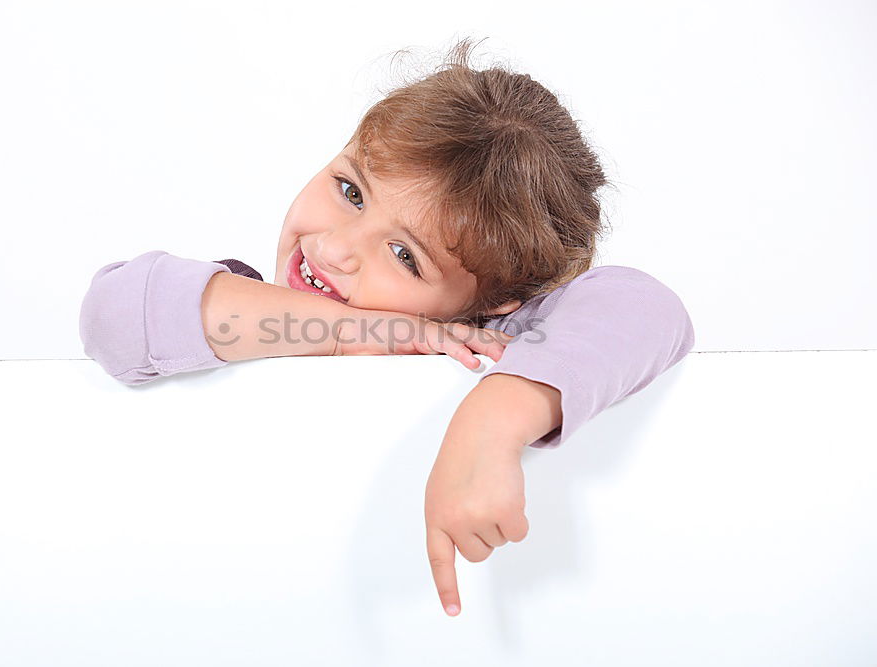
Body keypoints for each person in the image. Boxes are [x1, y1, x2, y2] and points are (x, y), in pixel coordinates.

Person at [78, 37, 695, 619]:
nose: (337, 249)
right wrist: (364, 330)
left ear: (499, 304)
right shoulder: (247, 308)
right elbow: (111, 313)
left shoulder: (491, 344)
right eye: (351, 190)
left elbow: (646, 307)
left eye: (405, 256)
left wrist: (492, 425)